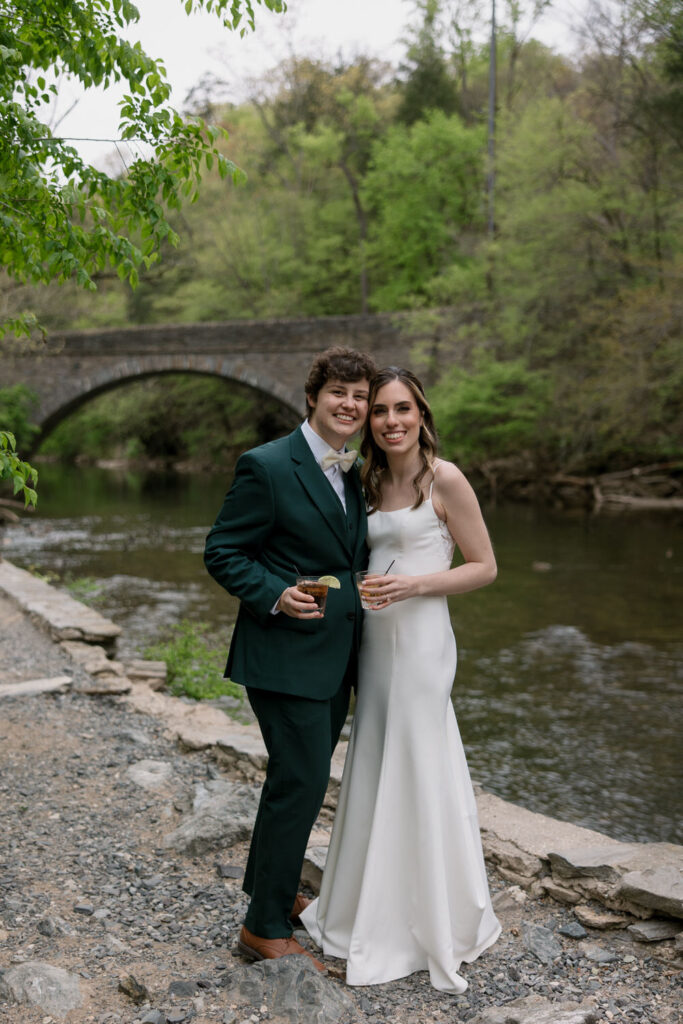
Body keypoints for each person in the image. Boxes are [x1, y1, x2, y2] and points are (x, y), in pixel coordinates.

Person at [300, 366, 501, 993]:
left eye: (401, 409)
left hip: (421, 643)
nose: (390, 421)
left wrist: (414, 583)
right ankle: (364, 907)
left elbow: (485, 568)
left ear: (421, 413)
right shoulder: (366, 479)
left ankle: (429, 922)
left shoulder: (446, 479)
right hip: (375, 643)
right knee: (375, 759)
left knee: (420, 760)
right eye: (380, 410)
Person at [204, 346, 377, 971]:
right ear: (313, 397)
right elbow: (223, 551)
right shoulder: (268, 465)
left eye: (360, 397)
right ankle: (262, 929)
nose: (350, 406)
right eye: (340, 394)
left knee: (296, 780)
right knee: (300, 783)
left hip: (335, 658)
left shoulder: (354, 472)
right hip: (281, 652)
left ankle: (271, 890)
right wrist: (274, 594)